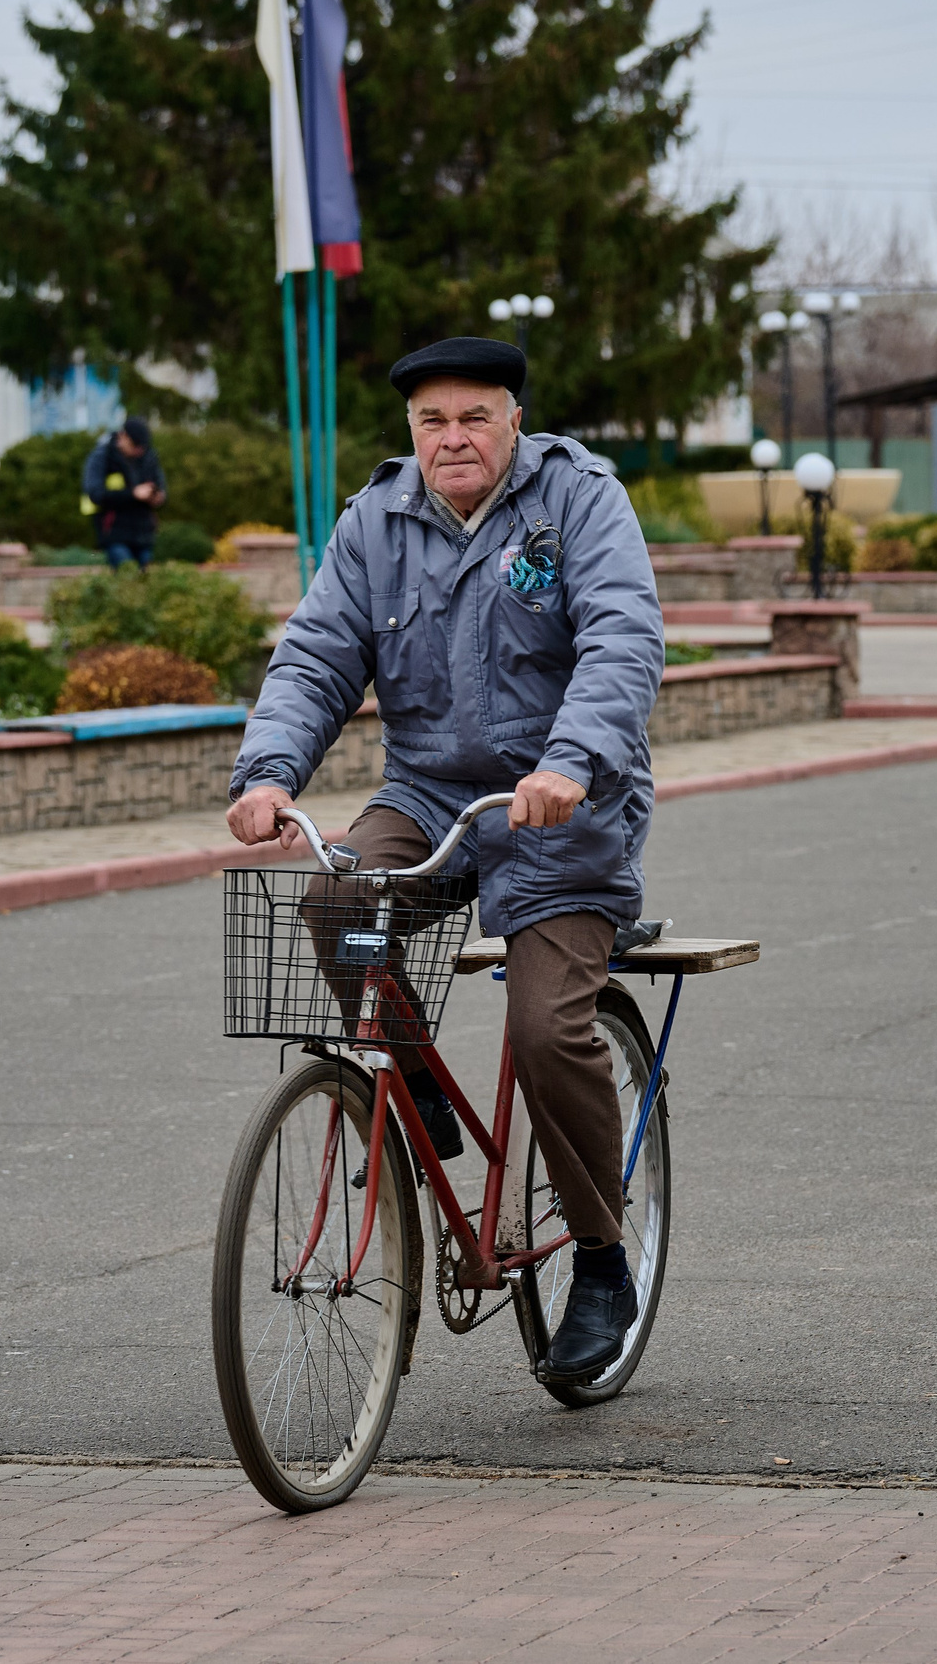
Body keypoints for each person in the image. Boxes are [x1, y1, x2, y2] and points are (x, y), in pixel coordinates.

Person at [227, 336, 663, 1384]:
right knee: (335, 898)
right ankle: (413, 1084)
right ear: (411, 431)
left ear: (514, 420)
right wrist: (268, 773)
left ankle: (602, 1260)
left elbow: (622, 637)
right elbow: (319, 652)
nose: (453, 438)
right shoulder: (377, 518)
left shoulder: (578, 502)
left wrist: (569, 762)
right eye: (433, 422)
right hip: (430, 794)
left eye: (475, 418)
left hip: (560, 808)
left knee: (545, 1027)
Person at [82, 415, 166, 569]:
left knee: (147, 582)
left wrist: (156, 497)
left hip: (145, 534)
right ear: (123, 437)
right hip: (115, 534)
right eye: (136, 446)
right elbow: (95, 494)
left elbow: (161, 488)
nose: (139, 451)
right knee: (126, 576)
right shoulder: (102, 456)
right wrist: (132, 494)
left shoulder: (147, 456)